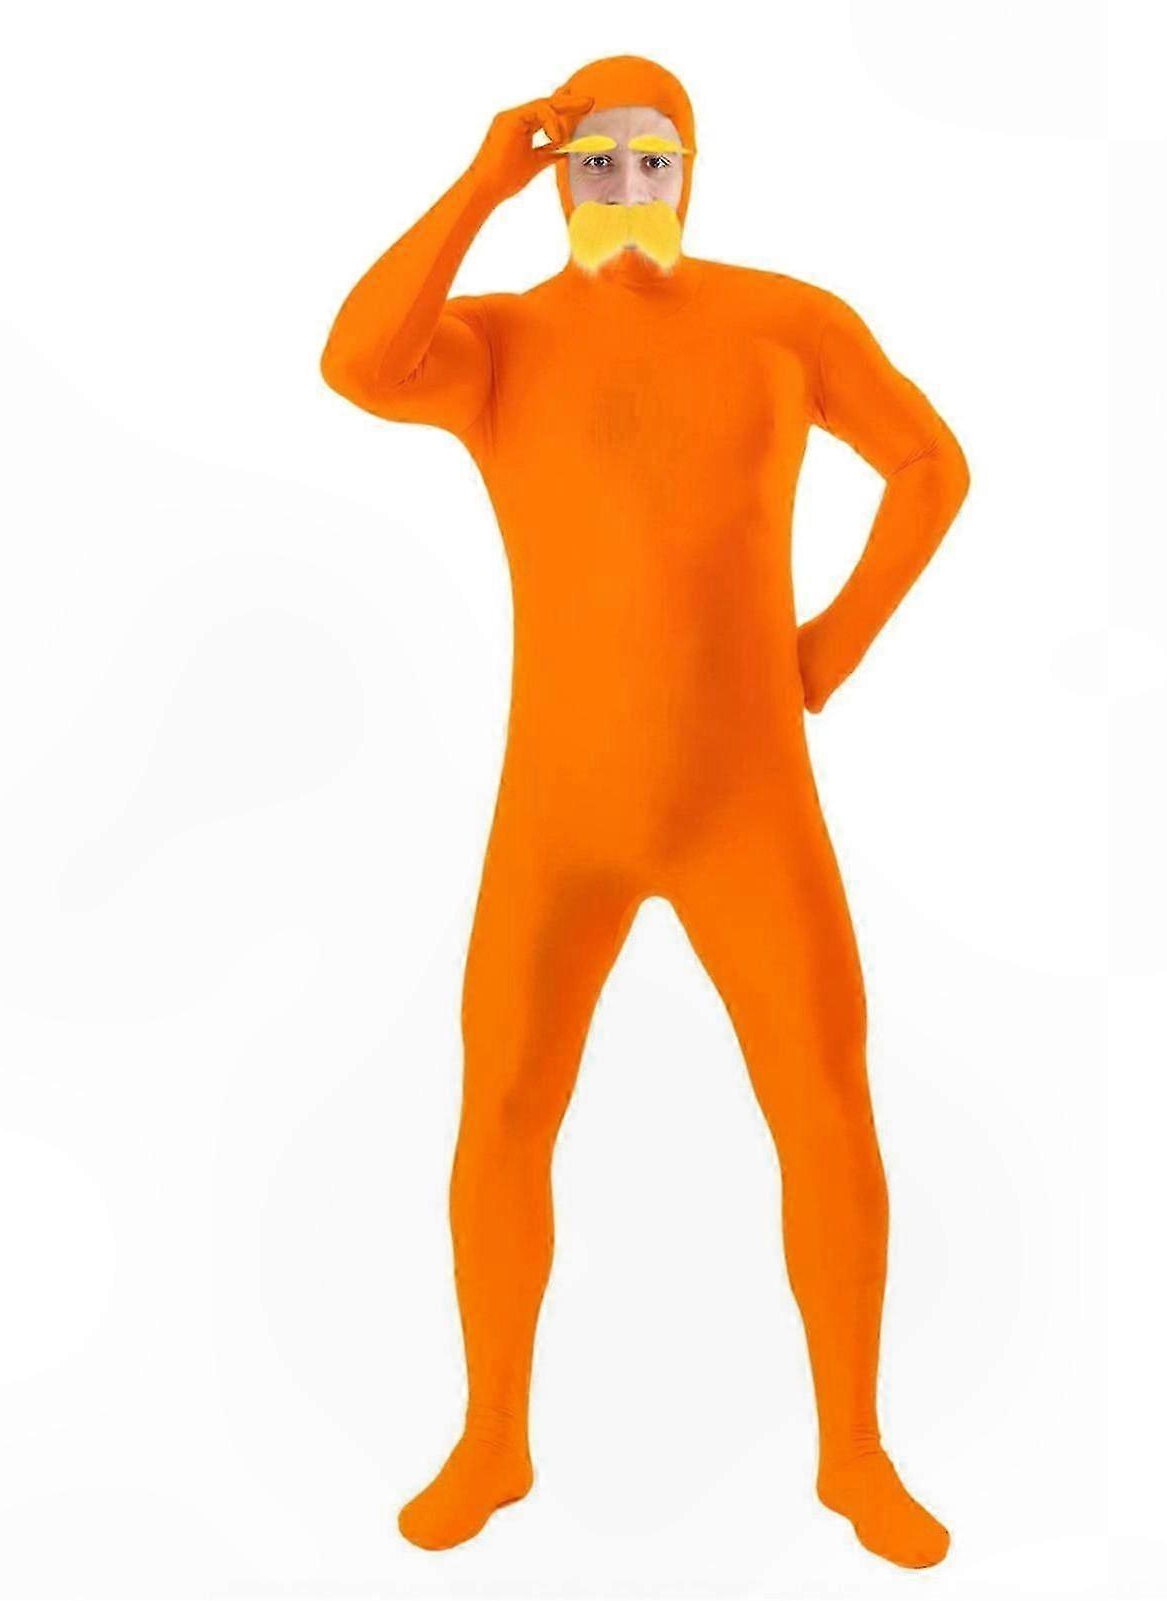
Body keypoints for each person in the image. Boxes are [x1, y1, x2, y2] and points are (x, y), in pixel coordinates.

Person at [320, 53, 970, 1570]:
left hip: (751, 804)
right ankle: (492, 1435)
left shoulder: (785, 322)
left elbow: (929, 465)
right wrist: (476, 185)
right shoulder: (496, 344)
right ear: (558, 178)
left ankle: (854, 1451)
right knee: (501, 1105)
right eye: (594, 162)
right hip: (560, 813)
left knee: (824, 1108)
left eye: (652, 160)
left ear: (691, 172)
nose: (625, 187)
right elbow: (357, 363)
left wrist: (830, 647)